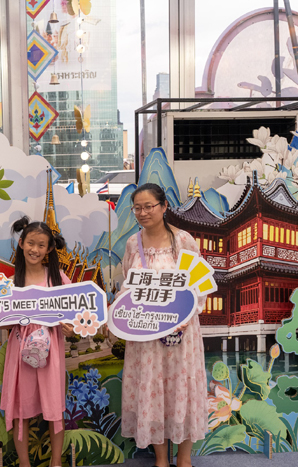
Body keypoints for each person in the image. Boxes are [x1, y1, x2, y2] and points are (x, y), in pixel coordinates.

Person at [119, 183, 207, 467]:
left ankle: (184, 458)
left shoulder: (183, 241)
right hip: (145, 335)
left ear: (164, 206)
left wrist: (185, 318)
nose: (143, 213)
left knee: (182, 388)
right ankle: (160, 459)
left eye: (149, 206)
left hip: (181, 334)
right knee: (152, 389)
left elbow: (199, 284)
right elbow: (127, 286)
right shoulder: (132, 244)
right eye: (137, 208)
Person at [0, 216, 74, 467]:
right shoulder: (9, 284)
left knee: (54, 408)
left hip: (51, 351)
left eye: (41, 245)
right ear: (21, 243)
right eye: (31, 243)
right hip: (20, 351)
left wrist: (70, 329)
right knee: (20, 409)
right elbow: (2, 321)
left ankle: (56, 462)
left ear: (49, 249)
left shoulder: (59, 279)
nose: (35, 249)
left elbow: (74, 320)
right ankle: (24, 463)